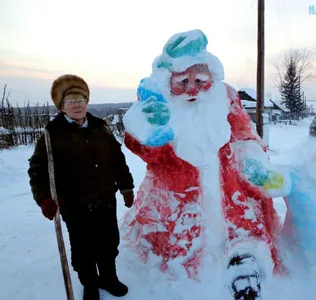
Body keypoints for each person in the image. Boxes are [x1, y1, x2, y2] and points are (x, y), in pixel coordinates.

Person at [121, 30, 286, 299]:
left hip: (229, 185)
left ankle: (243, 259)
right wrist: (149, 132)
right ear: (168, 81)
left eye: (200, 79)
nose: (192, 89)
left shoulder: (226, 96)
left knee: (239, 229)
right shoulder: (158, 103)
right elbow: (148, 153)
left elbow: (244, 132)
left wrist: (252, 155)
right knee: (181, 242)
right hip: (176, 196)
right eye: (183, 81)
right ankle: (187, 273)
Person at [27, 74, 135, 300]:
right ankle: (90, 284)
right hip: (74, 204)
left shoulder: (100, 127)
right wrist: (45, 199)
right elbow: (37, 170)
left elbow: (117, 159)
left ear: (87, 103)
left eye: (80, 101)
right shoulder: (52, 133)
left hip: (105, 199)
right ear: (62, 107)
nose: (77, 105)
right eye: (71, 102)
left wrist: (126, 187)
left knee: (108, 243)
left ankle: (108, 278)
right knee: (82, 248)